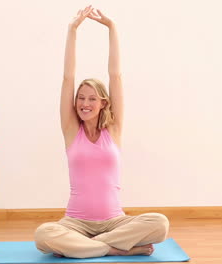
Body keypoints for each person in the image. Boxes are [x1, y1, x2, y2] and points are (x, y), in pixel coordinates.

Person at [34, 6, 169, 259]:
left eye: (92, 99)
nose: (84, 103)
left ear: (103, 103)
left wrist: (112, 28)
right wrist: (72, 29)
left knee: (160, 223)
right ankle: (114, 249)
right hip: (76, 223)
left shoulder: (114, 130)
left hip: (115, 222)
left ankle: (88, 247)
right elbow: (67, 78)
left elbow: (115, 76)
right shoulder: (71, 130)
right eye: (81, 98)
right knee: (43, 236)